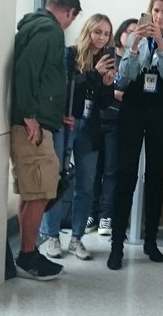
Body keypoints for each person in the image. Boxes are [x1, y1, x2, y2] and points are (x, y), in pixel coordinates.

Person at [107, 0, 163, 270]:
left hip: (162, 110)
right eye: (155, 10)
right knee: (125, 174)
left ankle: (150, 240)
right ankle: (116, 245)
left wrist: (160, 44)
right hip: (133, 108)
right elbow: (125, 76)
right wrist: (135, 45)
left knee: (155, 175)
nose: (159, 16)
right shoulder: (137, 37)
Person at [10, 0, 82, 281]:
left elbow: (41, 78)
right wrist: (30, 115)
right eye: (71, 19)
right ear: (69, 12)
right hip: (32, 125)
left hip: (38, 120)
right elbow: (27, 69)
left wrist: (52, 113)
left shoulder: (34, 25)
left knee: (33, 191)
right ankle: (28, 256)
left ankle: (28, 252)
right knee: (41, 190)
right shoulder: (50, 31)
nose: (69, 24)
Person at [38, 14, 117, 261]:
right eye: (97, 32)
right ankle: (52, 236)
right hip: (66, 124)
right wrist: (94, 73)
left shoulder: (106, 60)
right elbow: (67, 87)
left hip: (90, 127)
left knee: (85, 185)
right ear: (88, 31)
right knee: (56, 180)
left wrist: (107, 84)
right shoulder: (70, 54)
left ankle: (76, 238)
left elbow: (104, 102)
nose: (101, 38)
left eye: (106, 34)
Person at [93, 18, 139, 236]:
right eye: (128, 31)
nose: (131, 36)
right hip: (97, 118)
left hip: (118, 120)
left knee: (111, 169)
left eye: (136, 33)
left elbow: (133, 92)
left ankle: (106, 215)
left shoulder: (134, 60)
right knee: (94, 169)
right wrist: (114, 92)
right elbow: (98, 85)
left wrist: (119, 94)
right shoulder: (107, 55)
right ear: (120, 33)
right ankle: (91, 213)